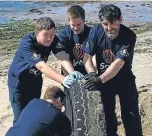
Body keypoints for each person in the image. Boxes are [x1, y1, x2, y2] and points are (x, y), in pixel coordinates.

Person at [82, 4, 143, 136]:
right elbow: (86, 56)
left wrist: (99, 79)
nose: (109, 28)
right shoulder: (96, 31)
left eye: (113, 23)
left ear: (120, 19)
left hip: (124, 79)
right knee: (107, 117)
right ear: (100, 22)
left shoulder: (129, 35)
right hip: (104, 81)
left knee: (131, 116)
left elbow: (118, 63)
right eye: (105, 24)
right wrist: (92, 74)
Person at [8, 17, 75, 124]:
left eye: (52, 34)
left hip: (35, 82)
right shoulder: (27, 43)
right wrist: (63, 79)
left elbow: (62, 56)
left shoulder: (53, 39)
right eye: (45, 35)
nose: (49, 38)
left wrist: (72, 72)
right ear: (37, 33)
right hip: (18, 84)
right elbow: (42, 66)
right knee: (20, 118)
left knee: (33, 113)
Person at [52, 5, 95, 126]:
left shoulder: (92, 33)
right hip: (69, 75)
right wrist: (72, 74)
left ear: (84, 20)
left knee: (88, 103)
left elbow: (93, 56)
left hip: (88, 73)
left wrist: (92, 74)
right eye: (73, 25)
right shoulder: (63, 35)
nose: (75, 28)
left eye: (79, 25)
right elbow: (62, 58)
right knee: (71, 105)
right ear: (68, 22)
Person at [6, 86, 72, 136]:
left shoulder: (33, 102)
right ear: (58, 100)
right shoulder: (57, 115)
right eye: (62, 104)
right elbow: (66, 133)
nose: (62, 107)